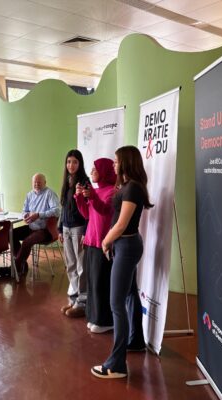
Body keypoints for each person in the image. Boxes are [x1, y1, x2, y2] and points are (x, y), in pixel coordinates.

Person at [91, 146, 153, 379]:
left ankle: (116, 365)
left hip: (126, 246)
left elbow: (121, 224)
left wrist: (106, 241)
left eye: (117, 161)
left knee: (116, 303)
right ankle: (135, 341)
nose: (114, 164)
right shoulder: (127, 186)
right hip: (124, 245)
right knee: (129, 294)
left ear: (126, 162)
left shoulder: (133, 188)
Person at [75, 158, 116, 333]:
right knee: (92, 282)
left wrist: (92, 197)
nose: (92, 171)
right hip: (91, 241)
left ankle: (105, 321)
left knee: (101, 283)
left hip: (103, 243)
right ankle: (93, 317)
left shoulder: (113, 192)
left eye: (95, 169)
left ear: (104, 171)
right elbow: (87, 214)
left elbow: (105, 211)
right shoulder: (96, 190)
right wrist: (79, 198)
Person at [58, 150, 89, 318]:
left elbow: (88, 210)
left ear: (80, 164)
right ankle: (74, 299)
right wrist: (59, 228)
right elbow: (63, 207)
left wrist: (85, 231)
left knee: (81, 266)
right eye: (68, 161)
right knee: (70, 265)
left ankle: (82, 302)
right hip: (66, 228)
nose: (71, 165)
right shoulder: (67, 181)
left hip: (78, 228)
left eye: (75, 162)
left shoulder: (84, 182)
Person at [12, 173, 60, 278]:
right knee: (11, 234)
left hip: (45, 230)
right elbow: (24, 210)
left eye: (39, 182)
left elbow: (57, 211)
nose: (36, 184)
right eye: (34, 182)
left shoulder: (50, 193)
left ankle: (16, 267)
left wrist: (38, 215)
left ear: (45, 182)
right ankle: (22, 263)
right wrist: (25, 215)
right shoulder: (29, 194)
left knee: (27, 242)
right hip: (31, 227)